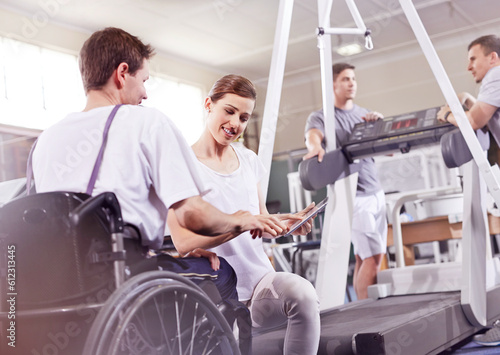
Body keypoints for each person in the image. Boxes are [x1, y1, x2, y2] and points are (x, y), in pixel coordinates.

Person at [31, 27, 287, 300]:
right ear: (122, 73)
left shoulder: (44, 141)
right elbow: (192, 215)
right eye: (144, 80)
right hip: (120, 274)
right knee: (222, 274)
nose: (145, 94)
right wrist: (239, 220)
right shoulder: (146, 121)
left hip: (60, 280)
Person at [167, 74, 321, 355]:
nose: (235, 124)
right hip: (217, 293)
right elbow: (184, 243)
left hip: (260, 284)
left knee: (303, 295)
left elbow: (258, 219)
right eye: (229, 111)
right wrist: (235, 226)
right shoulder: (182, 165)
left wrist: (286, 224)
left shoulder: (248, 159)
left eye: (244, 117)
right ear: (208, 105)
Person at [303, 62, 387, 300]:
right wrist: (315, 147)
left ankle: (363, 307)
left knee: (364, 257)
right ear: (333, 84)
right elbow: (312, 136)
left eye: (353, 79)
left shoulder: (364, 114)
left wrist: (379, 125)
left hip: (376, 191)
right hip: (355, 196)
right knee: (374, 258)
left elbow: (388, 150)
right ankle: (368, 311)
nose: (352, 83)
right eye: (346, 79)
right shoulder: (322, 116)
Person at [437, 34, 500, 347]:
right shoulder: (493, 84)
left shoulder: (497, 76)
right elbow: (488, 114)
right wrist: (463, 96)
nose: (468, 65)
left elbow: (474, 121)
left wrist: (449, 114)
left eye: (473, 58)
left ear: (493, 58)